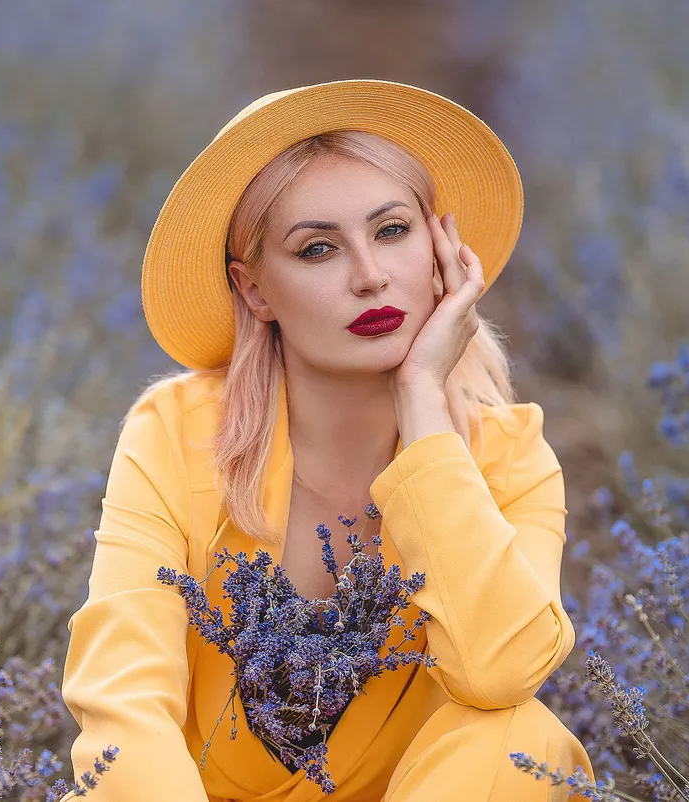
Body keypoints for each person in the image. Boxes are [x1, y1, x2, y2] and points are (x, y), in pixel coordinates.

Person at [61, 79, 595, 801]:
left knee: (525, 741)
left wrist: (423, 411)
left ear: (443, 252)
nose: (371, 277)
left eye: (393, 231)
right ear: (254, 291)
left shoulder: (507, 453)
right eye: (317, 249)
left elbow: (500, 671)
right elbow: (123, 702)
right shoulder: (177, 431)